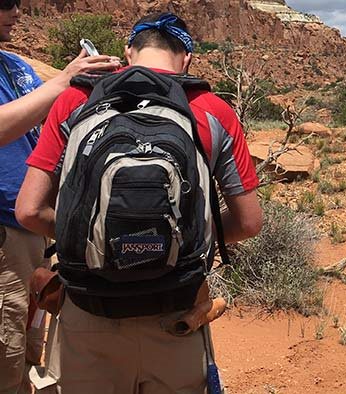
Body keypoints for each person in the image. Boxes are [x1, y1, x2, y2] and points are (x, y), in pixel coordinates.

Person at [15, 12, 262, 393]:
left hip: (88, 310)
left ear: (129, 52)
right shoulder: (214, 110)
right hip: (177, 309)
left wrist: (92, 238)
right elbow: (248, 222)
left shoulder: (75, 101)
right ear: (187, 58)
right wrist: (182, 241)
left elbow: (28, 211)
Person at [0, 1, 119, 392]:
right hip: (5, 234)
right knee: (6, 344)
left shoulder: (16, 67)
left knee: (30, 339)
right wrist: (62, 82)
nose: (15, 12)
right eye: (4, 5)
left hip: (35, 226)